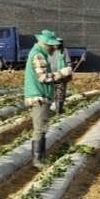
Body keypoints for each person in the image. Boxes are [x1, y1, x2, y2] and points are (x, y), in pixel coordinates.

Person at [24, 29, 73, 169]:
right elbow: (43, 78)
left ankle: (42, 158)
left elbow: (46, 78)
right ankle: (37, 160)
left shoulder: (40, 54)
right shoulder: (38, 55)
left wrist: (61, 78)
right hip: (38, 96)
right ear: (46, 44)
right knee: (40, 128)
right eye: (52, 45)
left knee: (42, 128)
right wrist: (61, 73)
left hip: (40, 95)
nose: (54, 48)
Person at [50, 38, 72, 114]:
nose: (55, 45)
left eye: (57, 43)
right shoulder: (49, 51)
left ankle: (58, 111)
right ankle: (54, 108)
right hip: (51, 75)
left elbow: (68, 63)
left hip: (61, 75)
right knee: (52, 93)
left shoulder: (64, 51)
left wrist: (69, 73)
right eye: (54, 44)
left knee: (60, 93)